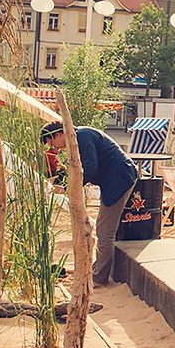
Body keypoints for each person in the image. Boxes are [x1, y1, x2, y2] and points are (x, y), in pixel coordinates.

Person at [41, 121, 138, 286]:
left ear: (58, 134)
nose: (54, 148)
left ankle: (100, 278)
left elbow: (90, 167)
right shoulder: (78, 138)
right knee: (103, 228)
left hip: (119, 179)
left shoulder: (82, 136)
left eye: (51, 143)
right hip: (114, 179)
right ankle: (98, 271)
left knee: (105, 231)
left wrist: (69, 188)